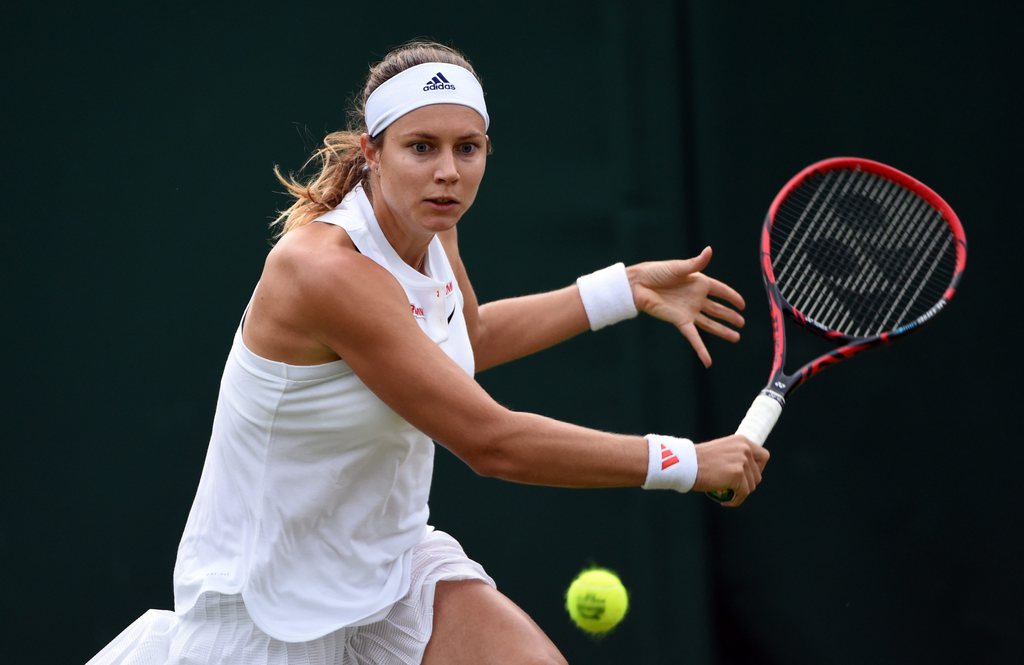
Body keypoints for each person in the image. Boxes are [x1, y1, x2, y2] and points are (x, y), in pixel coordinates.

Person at [87, 40, 769, 665]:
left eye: (467, 148)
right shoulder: (324, 271)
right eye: (421, 147)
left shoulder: (429, 226)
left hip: (390, 565)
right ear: (372, 151)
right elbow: (490, 441)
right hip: (268, 607)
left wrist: (620, 290)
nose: (447, 173)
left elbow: (464, 340)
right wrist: (686, 461)